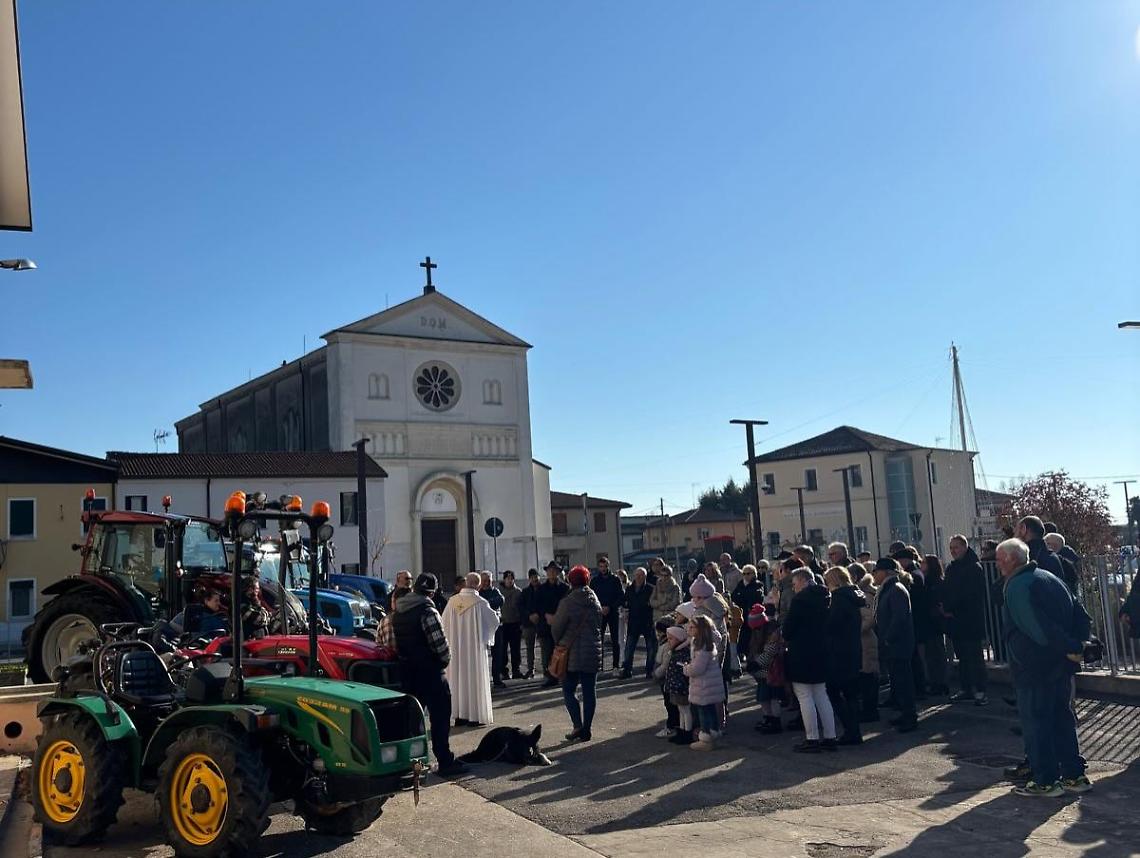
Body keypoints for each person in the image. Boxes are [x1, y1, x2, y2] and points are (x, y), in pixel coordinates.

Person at [996, 538, 1091, 796]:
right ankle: (1074, 776)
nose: (996, 565)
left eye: (998, 559)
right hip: (1061, 664)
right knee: (1062, 719)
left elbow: (1036, 629)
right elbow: (1081, 613)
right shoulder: (1050, 577)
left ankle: (1046, 781)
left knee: (1036, 722)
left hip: (1034, 666)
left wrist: (1066, 646)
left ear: (1010, 560)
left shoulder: (1016, 585)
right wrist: (1076, 646)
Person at [391, 573, 468, 776]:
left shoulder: (399, 610)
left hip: (408, 671)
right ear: (432, 592)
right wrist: (444, 660)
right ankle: (445, 760)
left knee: (412, 721)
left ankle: (408, 763)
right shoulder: (427, 610)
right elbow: (439, 644)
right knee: (440, 718)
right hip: (430, 672)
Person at [783, 567, 837, 752]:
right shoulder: (826, 597)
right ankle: (830, 736)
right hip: (822, 649)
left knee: (805, 695)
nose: (794, 586)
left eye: (795, 582)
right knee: (822, 694)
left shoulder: (800, 601)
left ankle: (812, 738)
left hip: (802, 651)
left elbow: (788, 629)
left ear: (804, 581)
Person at [441, 572, 501, 726]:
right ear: (479, 585)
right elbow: (494, 622)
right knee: (473, 680)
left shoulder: (452, 602)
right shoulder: (480, 603)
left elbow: (443, 625)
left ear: (466, 583)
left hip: (455, 650)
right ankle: (474, 716)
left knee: (457, 680)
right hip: (473, 651)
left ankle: (459, 715)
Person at [551, 565, 603, 742]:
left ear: (570, 581)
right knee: (590, 691)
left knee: (568, 690)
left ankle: (577, 725)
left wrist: (559, 642)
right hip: (592, 650)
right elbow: (599, 624)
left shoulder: (567, 602)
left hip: (570, 652)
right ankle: (587, 728)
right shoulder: (595, 600)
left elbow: (557, 627)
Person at [943, 535, 989, 705]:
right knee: (962, 656)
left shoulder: (974, 567)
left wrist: (952, 607)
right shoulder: (952, 568)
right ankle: (967, 688)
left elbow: (971, 595)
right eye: (951, 548)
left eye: (956, 547)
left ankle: (981, 690)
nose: (953, 551)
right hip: (956, 620)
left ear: (964, 547)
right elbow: (947, 589)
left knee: (975, 656)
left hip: (970, 619)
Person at [873, 557, 917, 733]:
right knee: (897, 681)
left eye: (876, 571)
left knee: (903, 681)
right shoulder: (888, 589)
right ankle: (902, 713)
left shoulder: (896, 589)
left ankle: (909, 716)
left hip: (898, 644)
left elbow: (899, 618)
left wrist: (888, 638)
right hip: (893, 644)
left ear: (886, 572)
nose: (874, 574)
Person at [824, 566, 867, 745]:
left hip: (839, 651)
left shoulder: (839, 599)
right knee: (851, 693)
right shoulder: (854, 596)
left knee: (834, 691)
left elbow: (831, 625)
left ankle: (850, 730)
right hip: (853, 649)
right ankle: (854, 730)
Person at [684, 614, 725, 751]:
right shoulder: (705, 644)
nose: (689, 629)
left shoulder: (702, 647)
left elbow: (698, 668)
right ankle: (714, 733)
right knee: (710, 710)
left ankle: (706, 737)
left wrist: (686, 669)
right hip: (708, 685)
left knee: (704, 712)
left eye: (692, 627)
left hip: (704, 685)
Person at [747, 604, 786, 734]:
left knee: (773, 698)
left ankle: (775, 720)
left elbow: (770, 653)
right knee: (763, 698)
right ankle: (768, 718)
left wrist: (757, 664)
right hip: (762, 673)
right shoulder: (758, 633)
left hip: (771, 672)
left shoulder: (772, 634)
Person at [535, 561, 571, 687]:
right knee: (547, 652)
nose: (552, 573)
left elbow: (567, 605)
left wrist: (558, 617)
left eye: (554, 571)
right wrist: (545, 615)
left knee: (562, 651)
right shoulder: (541, 589)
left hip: (561, 624)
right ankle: (549, 676)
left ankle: (562, 674)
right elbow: (537, 605)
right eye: (549, 571)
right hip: (545, 624)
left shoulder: (565, 588)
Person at [921, 554, 950, 696]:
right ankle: (937, 682)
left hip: (934, 622)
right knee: (933, 654)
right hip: (931, 621)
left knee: (936, 654)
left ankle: (939, 682)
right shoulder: (929, 581)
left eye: (924, 562)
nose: (921, 565)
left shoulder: (933, 582)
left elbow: (936, 601)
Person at [590, 556, 625, 671]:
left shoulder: (615, 580)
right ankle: (599, 666)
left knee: (615, 640)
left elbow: (621, 596)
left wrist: (610, 607)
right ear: (598, 567)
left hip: (612, 612)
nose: (603, 569)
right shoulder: (594, 581)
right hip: (600, 613)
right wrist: (600, 607)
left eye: (605, 566)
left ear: (608, 566)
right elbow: (591, 597)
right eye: (601, 566)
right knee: (599, 641)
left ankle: (615, 665)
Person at [622, 567, 656, 679]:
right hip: (633, 622)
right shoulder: (629, 589)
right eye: (637, 575)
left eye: (641, 575)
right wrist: (626, 614)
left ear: (645, 576)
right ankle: (627, 670)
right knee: (629, 648)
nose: (639, 577)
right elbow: (626, 603)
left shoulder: (651, 589)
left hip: (647, 621)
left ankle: (649, 670)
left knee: (651, 647)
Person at [855, 571, 881, 722]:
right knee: (866, 676)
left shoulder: (865, 594)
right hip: (864, 641)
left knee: (869, 677)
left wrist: (854, 630)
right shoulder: (863, 592)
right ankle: (869, 709)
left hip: (866, 640)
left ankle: (870, 710)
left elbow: (869, 618)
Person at [664, 623, 694, 745]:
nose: (669, 641)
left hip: (681, 687)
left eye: (671, 638)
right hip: (675, 686)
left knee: (685, 711)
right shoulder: (676, 652)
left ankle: (687, 733)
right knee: (681, 710)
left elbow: (685, 671)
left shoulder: (682, 653)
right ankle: (681, 731)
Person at [732, 564, 765, 668]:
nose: (746, 576)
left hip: (753, 618)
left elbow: (755, 597)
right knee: (744, 640)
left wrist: (742, 596)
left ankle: (754, 661)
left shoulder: (758, 584)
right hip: (742, 617)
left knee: (754, 641)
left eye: (748, 573)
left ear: (754, 574)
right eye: (744, 574)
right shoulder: (740, 584)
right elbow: (734, 597)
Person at [1016, 516, 1066, 582]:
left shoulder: (1023, 558)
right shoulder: (1053, 558)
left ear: (1023, 529)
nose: (1015, 535)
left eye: (1016, 530)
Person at [652, 619, 678, 737]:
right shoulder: (664, 643)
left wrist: (657, 673)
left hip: (666, 678)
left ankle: (671, 726)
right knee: (668, 702)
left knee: (670, 703)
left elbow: (665, 664)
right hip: (665, 677)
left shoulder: (667, 645)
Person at [496, 570, 523, 682]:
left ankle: (516, 670)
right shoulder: (499, 592)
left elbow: (521, 607)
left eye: (511, 578)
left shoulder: (518, 592)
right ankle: (504, 671)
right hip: (503, 624)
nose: (509, 580)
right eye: (507, 578)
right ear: (504, 579)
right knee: (503, 650)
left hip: (515, 623)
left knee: (516, 649)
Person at [519, 569, 542, 678]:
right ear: (529, 579)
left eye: (536, 577)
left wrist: (539, 615)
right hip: (529, 622)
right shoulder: (525, 592)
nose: (534, 579)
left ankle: (547, 668)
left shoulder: (544, 589)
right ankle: (530, 669)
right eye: (532, 577)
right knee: (529, 647)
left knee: (545, 646)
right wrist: (529, 615)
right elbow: (521, 607)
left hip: (542, 622)